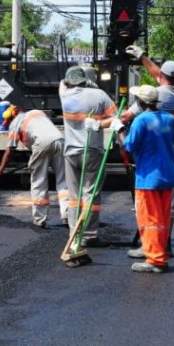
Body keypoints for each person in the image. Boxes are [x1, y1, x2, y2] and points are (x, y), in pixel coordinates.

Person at [124, 45, 174, 258]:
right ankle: (164, 244)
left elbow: (126, 117)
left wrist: (107, 124)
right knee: (169, 200)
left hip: (158, 154)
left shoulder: (155, 96)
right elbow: (158, 74)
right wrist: (143, 57)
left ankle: (151, 246)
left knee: (150, 203)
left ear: (163, 77)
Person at [115, 85, 174, 273]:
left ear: (140, 102)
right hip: (167, 174)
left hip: (149, 176)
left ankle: (155, 260)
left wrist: (119, 130)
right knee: (162, 218)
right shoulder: (169, 119)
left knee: (149, 219)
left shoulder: (141, 120)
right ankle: (156, 251)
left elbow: (129, 146)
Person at [59, 66, 118, 248]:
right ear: (86, 80)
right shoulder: (99, 95)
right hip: (92, 151)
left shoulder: (64, 95)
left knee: (74, 197)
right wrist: (100, 124)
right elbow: (118, 118)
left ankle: (74, 233)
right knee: (91, 195)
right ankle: (89, 235)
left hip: (70, 152)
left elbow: (62, 84)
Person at [0, 106, 68, 228]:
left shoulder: (15, 123)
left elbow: (9, 151)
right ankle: (67, 216)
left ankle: (39, 220)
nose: (9, 123)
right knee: (64, 181)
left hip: (42, 144)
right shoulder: (37, 112)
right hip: (61, 141)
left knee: (39, 182)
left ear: (12, 116)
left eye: (9, 121)